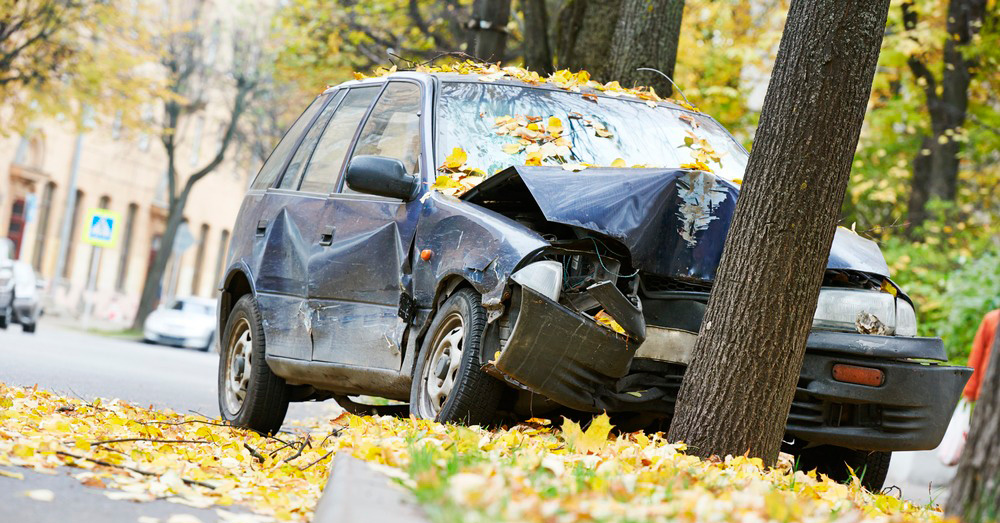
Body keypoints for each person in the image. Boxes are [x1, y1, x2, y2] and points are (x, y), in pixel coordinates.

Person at [963, 309, 999, 402]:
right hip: (989, 389)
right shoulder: (992, 319)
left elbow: (977, 355)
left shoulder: (992, 318)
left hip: (988, 390)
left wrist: (970, 391)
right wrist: (970, 390)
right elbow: (977, 354)